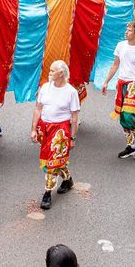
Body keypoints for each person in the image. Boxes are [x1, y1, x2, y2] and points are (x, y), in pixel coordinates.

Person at [31, 61, 80, 211]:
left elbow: (75, 117)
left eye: (53, 71)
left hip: (60, 131)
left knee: (51, 164)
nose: (49, 72)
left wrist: (72, 137)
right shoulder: (45, 87)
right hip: (44, 128)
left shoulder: (71, 92)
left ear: (62, 73)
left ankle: (47, 193)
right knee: (55, 160)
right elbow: (38, 109)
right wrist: (33, 129)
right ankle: (67, 179)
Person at [101, 22, 135, 160]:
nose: (126, 32)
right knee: (122, 118)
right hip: (121, 83)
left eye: (129, 30)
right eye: (126, 30)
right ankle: (131, 145)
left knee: (129, 116)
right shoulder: (120, 46)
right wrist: (106, 81)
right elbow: (115, 64)